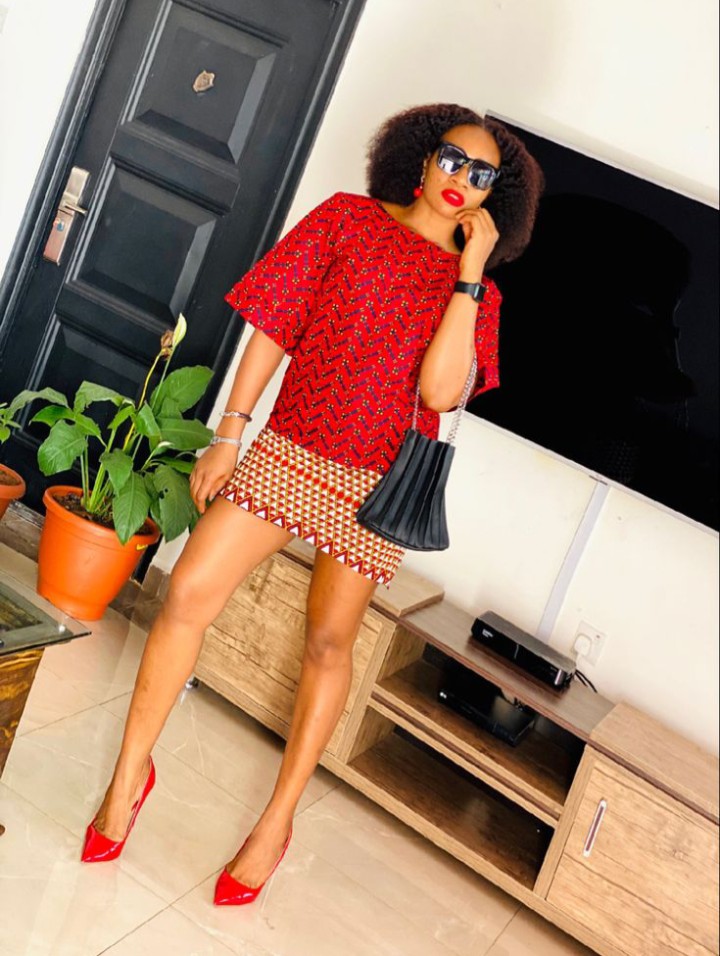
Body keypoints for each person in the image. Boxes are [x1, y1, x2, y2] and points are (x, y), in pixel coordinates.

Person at [80, 103, 543, 905]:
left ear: (494, 196)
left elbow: (440, 393)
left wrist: (469, 275)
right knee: (187, 593)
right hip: (289, 449)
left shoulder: (482, 297)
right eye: (451, 158)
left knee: (329, 643)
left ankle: (277, 820)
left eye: (482, 175)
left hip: (377, 485)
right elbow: (271, 327)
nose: (461, 181)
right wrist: (230, 433)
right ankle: (128, 779)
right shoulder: (346, 220)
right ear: (420, 157)